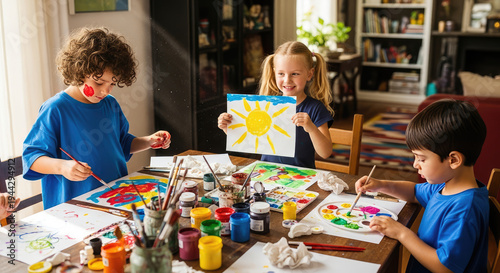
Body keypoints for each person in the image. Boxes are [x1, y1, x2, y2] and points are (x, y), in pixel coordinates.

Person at [22, 27, 172, 209]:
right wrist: (63, 167)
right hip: (75, 208)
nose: (106, 90)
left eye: (112, 83)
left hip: (116, 199)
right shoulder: (55, 109)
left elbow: (122, 143)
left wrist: (148, 141)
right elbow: (32, 158)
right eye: (99, 82)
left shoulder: (110, 104)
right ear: (78, 71)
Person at [355, 99, 488, 273]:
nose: (415, 165)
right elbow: (414, 192)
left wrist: (402, 233)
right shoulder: (447, 186)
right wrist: (381, 184)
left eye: (421, 158)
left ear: (453, 160)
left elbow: (445, 268)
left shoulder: (464, 208)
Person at [218, 41, 334, 168]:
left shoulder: (315, 108)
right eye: (281, 74)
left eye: (295, 74)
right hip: (267, 175)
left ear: (309, 74)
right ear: (274, 73)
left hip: (301, 178)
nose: (287, 80)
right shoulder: (266, 106)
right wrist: (228, 128)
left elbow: (325, 153)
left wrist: (311, 128)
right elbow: (249, 142)